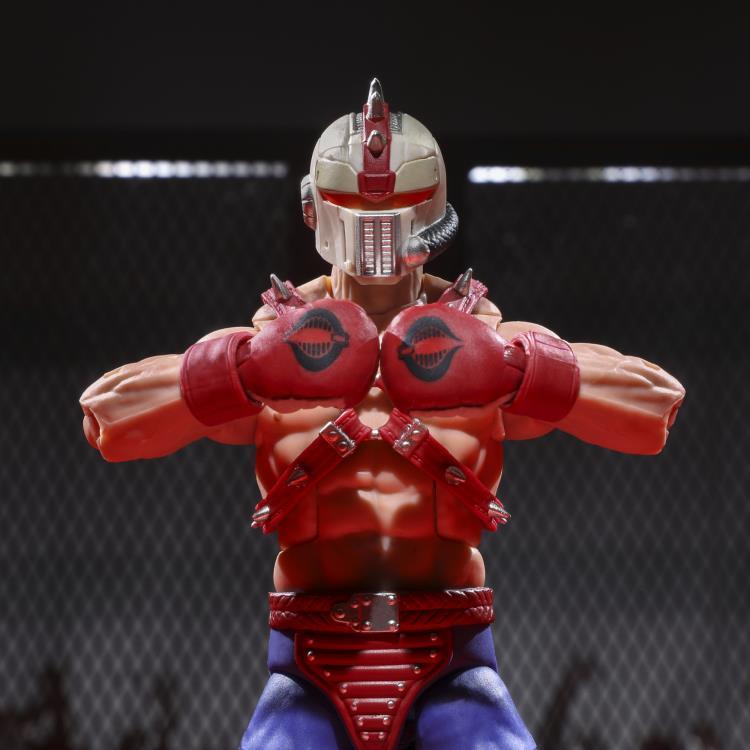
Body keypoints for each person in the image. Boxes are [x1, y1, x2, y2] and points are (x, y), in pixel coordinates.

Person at [80, 79, 685, 750]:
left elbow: (655, 408)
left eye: (398, 209)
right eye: (352, 208)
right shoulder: (271, 344)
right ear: (315, 209)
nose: (374, 232)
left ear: (434, 212)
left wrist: (521, 369)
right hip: (310, 659)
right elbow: (106, 421)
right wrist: (240, 369)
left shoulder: (487, 338)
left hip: (452, 658)